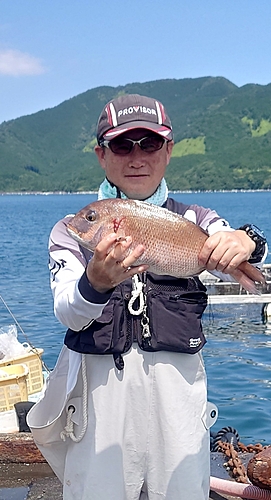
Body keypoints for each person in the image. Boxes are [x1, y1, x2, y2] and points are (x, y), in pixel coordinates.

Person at [29, 94, 267, 500]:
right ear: (101, 155)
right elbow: (67, 311)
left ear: (169, 150)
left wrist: (248, 241)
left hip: (179, 399)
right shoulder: (72, 230)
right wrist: (96, 284)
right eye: (122, 145)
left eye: (150, 144)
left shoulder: (198, 220)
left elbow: (240, 245)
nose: (137, 158)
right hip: (98, 405)